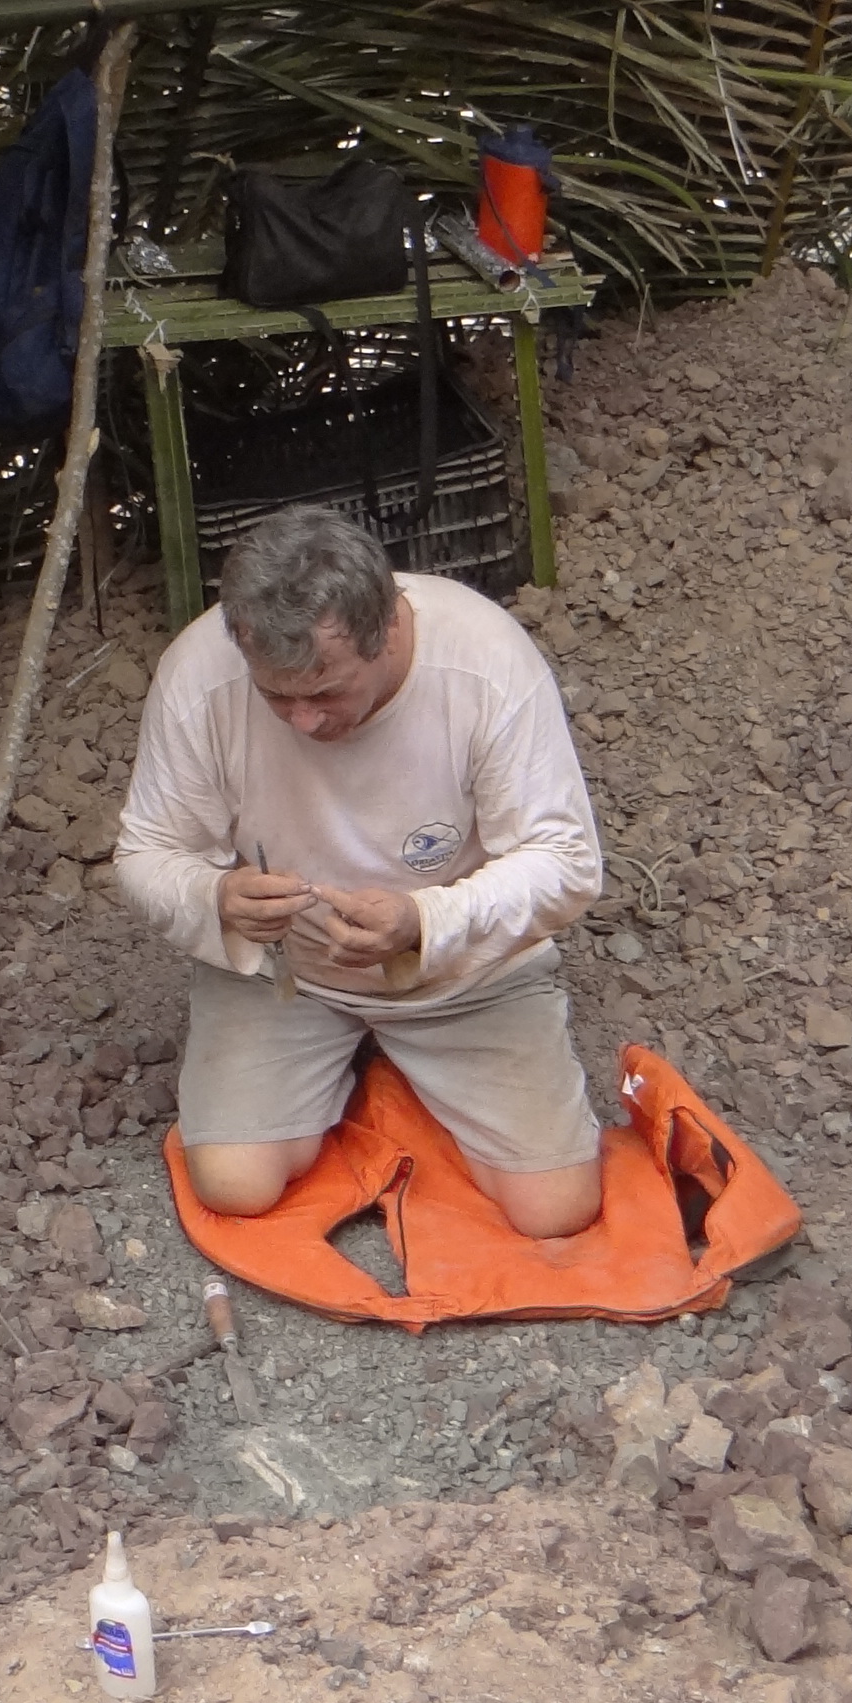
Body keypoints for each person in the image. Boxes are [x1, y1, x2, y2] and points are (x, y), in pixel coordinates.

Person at [115, 505, 606, 1238]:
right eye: (276, 695)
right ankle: (353, 1068)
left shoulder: (484, 660)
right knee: (234, 1185)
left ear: (389, 630)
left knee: (556, 1210)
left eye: (325, 693)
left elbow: (567, 864)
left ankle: (402, 1067)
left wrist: (423, 922)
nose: (302, 723)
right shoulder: (199, 673)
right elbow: (145, 851)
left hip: (461, 971)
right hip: (285, 973)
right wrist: (214, 897)